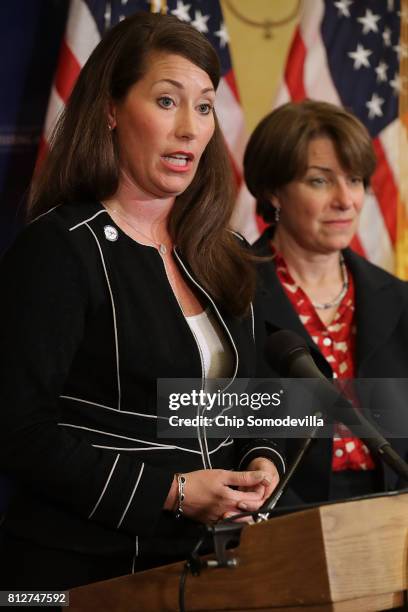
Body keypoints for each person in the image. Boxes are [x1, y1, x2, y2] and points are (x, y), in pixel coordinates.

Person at [0, 12, 285, 591]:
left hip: (202, 572)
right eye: (166, 101)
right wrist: (172, 492)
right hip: (71, 573)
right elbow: (18, 430)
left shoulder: (225, 252)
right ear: (110, 110)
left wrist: (264, 462)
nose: (189, 128)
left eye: (204, 106)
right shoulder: (59, 249)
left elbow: (259, 398)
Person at [244, 100, 408, 505]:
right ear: (273, 192)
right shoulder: (232, 294)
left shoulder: (398, 298)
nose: (345, 200)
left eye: (354, 180)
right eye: (320, 181)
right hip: (282, 515)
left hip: (392, 505)